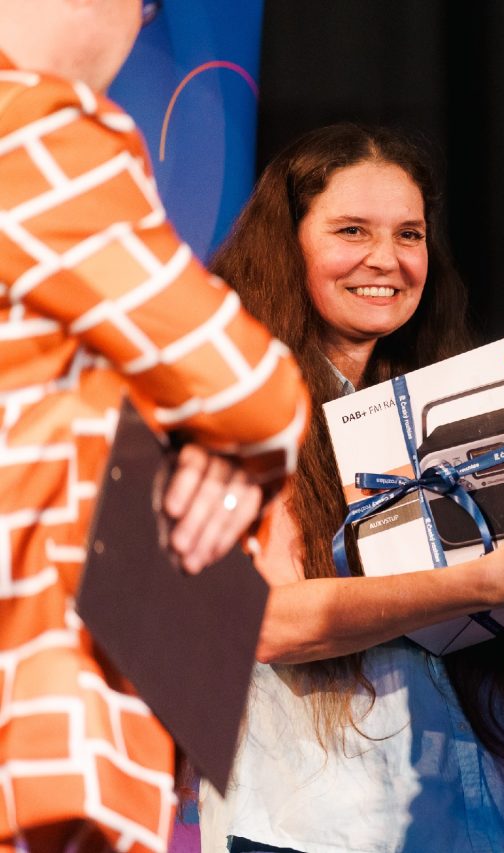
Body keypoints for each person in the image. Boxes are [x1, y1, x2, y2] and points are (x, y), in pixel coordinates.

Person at [195, 123, 504, 853]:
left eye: (409, 234)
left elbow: (475, 668)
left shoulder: (437, 409)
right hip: (309, 829)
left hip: (466, 821)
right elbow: (268, 622)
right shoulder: (237, 403)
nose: (386, 259)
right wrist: (485, 579)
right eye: (351, 230)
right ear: (286, 244)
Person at [0, 1, 310, 851]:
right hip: (34, 718)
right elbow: (246, 385)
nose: (141, 19)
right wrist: (238, 435)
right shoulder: (35, 126)